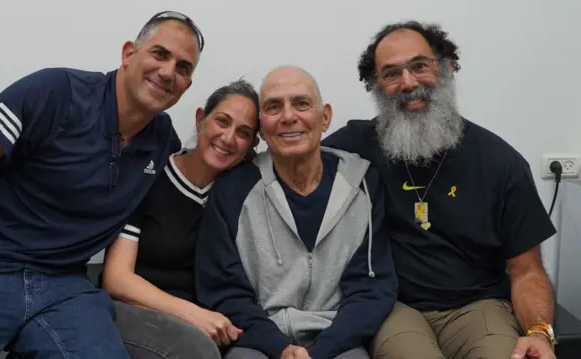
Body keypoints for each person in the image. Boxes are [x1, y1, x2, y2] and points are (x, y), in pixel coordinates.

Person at [0, 10, 204, 359]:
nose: (169, 72)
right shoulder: (54, 92)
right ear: (129, 54)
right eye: (160, 54)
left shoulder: (161, 142)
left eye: (183, 68)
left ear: (187, 85)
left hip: (64, 286)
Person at [322, 21, 557, 359]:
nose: (408, 83)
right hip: (394, 306)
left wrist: (539, 332)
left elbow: (527, 271)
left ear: (447, 67)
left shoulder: (501, 162)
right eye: (391, 74)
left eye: (419, 66)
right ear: (376, 86)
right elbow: (292, 160)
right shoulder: (354, 147)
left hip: (480, 306)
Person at [195, 66, 398, 359]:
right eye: (273, 107)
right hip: (257, 339)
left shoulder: (363, 184)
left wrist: (323, 350)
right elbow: (222, 290)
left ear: (325, 116)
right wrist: (279, 348)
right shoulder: (232, 190)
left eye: (301, 104)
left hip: (338, 339)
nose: (288, 116)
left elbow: (372, 287)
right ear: (262, 128)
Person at [101, 79, 261, 359]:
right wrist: (194, 315)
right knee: (197, 351)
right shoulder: (149, 177)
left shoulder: (243, 193)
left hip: (211, 323)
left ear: (252, 144)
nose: (228, 137)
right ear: (201, 119)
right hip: (133, 309)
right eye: (222, 121)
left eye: (243, 132)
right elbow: (116, 279)